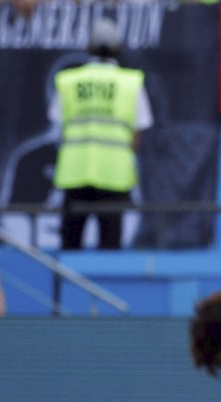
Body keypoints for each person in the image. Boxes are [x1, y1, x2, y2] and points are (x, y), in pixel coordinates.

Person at [50, 18, 153, 250]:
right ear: (118, 47)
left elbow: (58, 128)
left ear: (89, 46)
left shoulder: (68, 80)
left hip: (74, 174)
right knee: (110, 247)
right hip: (114, 176)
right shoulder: (131, 83)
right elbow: (137, 135)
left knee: (70, 246)